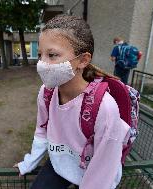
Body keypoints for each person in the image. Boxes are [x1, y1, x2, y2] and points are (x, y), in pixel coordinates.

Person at [13, 15, 130, 189]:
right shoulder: (46, 93)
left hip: (95, 170)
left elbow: (104, 169)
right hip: (61, 163)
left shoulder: (104, 108)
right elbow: (42, 130)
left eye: (52, 55)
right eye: (40, 55)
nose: (42, 64)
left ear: (83, 60)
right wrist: (29, 163)